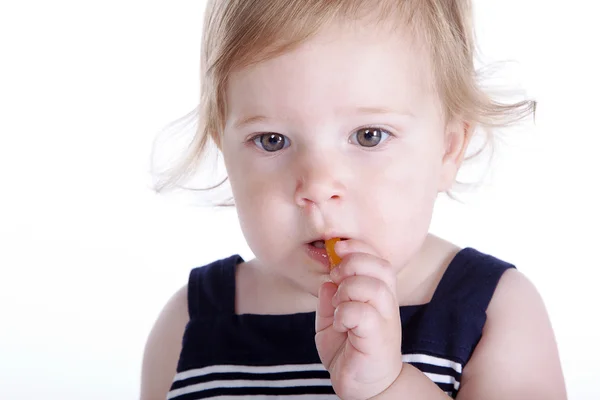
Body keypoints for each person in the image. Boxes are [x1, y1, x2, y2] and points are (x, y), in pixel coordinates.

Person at [141, 1, 566, 399]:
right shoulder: (189, 323)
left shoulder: (493, 312)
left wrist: (387, 386)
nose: (318, 185)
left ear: (447, 149)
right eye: (272, 141)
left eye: (369, 136)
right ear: (225, 151)